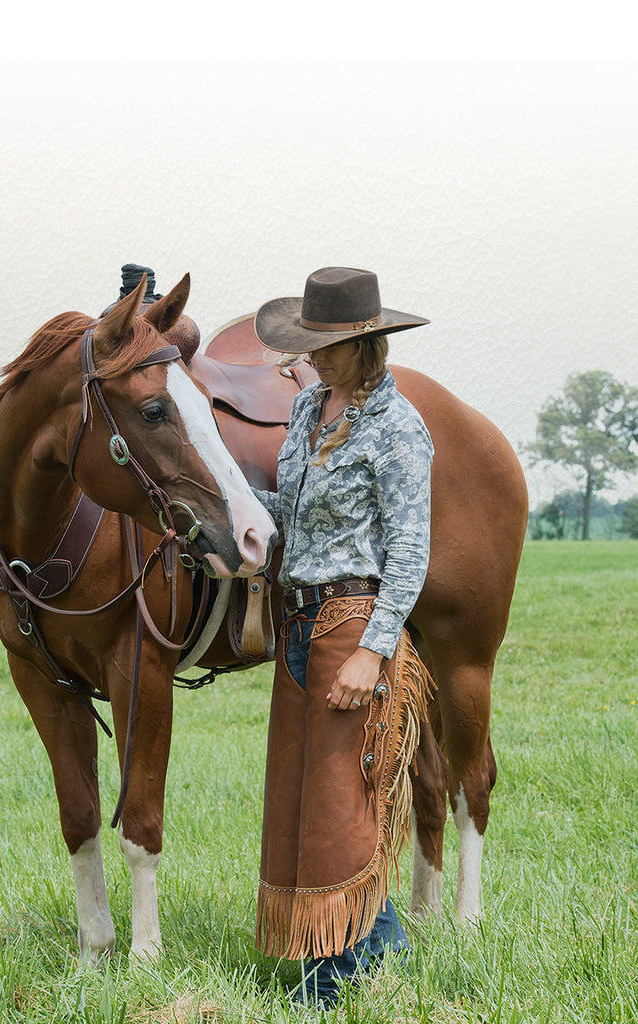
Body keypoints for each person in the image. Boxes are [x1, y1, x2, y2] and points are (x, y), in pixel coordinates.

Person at [251, 266, 436, 1006]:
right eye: (312, 343)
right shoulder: (305, 410)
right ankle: (379, 949)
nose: (317, 356)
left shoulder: (398, 429)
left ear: (369, 343)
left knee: (342, 806)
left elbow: (410, 550)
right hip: (297, 620)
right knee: (306, 802)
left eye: (330, 344)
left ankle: (334, 981)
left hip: (349, 625)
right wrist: (224, 507)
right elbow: (291, 509)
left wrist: (373, 648)